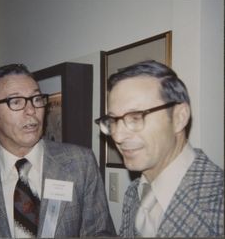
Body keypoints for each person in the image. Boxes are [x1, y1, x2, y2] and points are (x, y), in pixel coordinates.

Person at [0, 63, 116, 238]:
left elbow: (100, 233)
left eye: (36, 99)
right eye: (16, 101)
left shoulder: (80, 163)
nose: (31, 110)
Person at [95, 60, 224, 237]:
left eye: (135, 117)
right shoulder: (134, 192)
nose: (117, 137)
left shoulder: (217, 206)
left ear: (179, 117)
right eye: (114, 121)